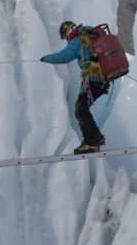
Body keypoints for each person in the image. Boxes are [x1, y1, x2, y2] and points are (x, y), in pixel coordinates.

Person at [40, 20, 108, 154]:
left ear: (68, 31)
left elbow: (64, 56)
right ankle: (94, 139)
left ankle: (92, 141)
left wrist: (45, 58)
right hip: (102, 80)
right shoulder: (90, 35)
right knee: (81, 109)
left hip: (93, 80)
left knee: (80, 109)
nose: (67, 39)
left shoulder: (78, 40)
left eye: (66, 36)